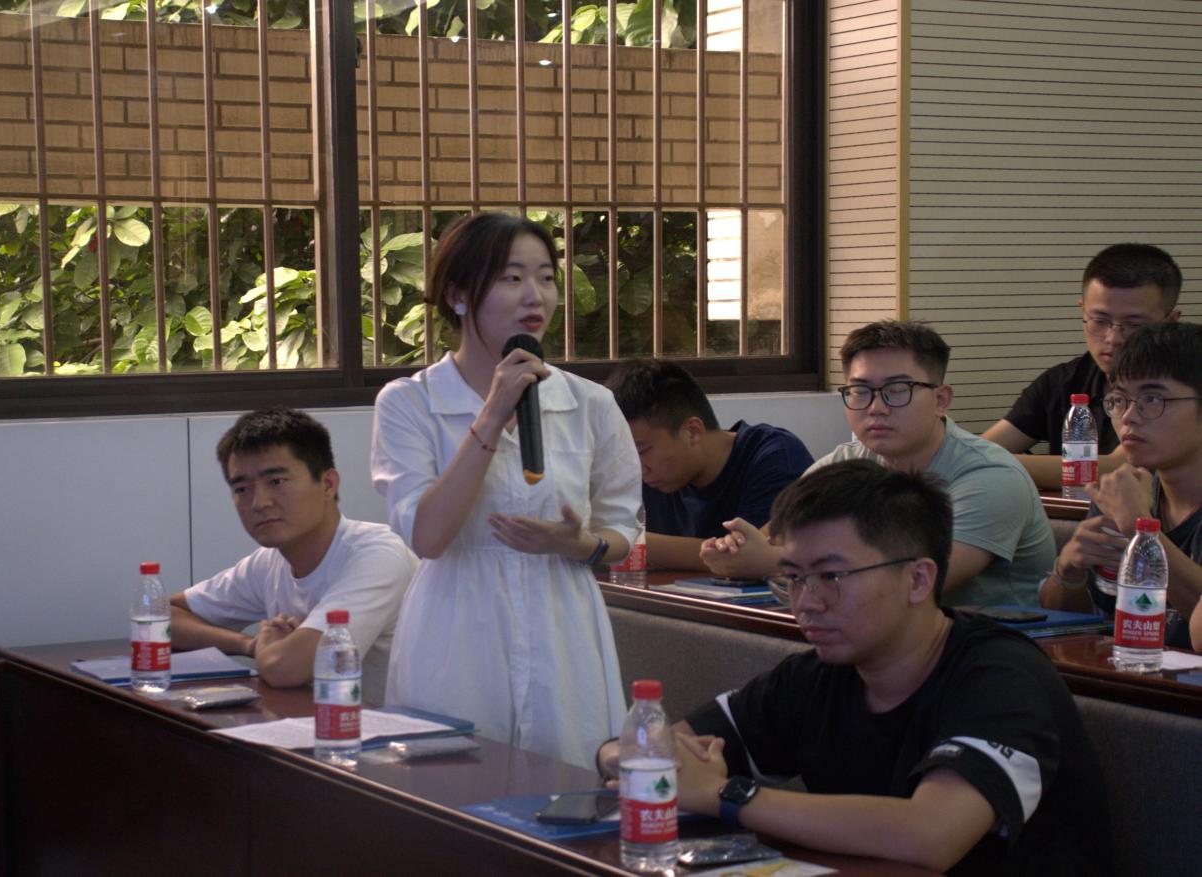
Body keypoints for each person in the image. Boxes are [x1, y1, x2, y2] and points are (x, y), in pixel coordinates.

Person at [597, 460, 1110, 874]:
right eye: (794, 578)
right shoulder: (818, 674)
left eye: (832, 577)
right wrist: (623, 755)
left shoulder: (1001, 675)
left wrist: (725, 794)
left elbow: (931, 834)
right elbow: (658, 746)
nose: (807, 602)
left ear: (918, 580)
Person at [370, 213, 641, 769]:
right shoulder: (409, 402)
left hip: (563, 623)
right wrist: (493, 414)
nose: (535, 296)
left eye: (546, 277)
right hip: (456, 624)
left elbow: (623, 530)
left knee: (569, 783)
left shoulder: (590, 403)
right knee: (454, 785)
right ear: (458, 295)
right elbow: (428, 536)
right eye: (512, 278)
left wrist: (580, 545)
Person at [702, 321, 1055, 607]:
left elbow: (918, 583)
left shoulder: (990, 475)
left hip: (989, 647)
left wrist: (769, 562)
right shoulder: (846, 461)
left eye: (897, 390)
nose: (876, 408)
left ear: (941, 400)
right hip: (880, 638)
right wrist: (732, 550)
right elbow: (773, 537)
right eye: (860, 391)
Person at [171, 407, 417, 701]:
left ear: (328, 484)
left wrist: (273, 653)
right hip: (315, 721)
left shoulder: (378, 555)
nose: (259, 503)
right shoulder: (269, 562)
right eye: (242, 489)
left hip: (392, 726)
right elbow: (164, 618)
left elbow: (286, 669)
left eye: (277, 482)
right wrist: (250, 645)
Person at [1041, 322, 1202, 650]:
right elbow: (1074, 627)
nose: (1128, 416)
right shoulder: (1125, 490)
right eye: (1118, 400)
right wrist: (1068, 572)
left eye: (1152, 399)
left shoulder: (1128, 504)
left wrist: (1139, 528)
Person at [982, 243, 1182, 489]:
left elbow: (1121, 468)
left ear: (1171, 322)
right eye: (1100, 320)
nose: (1113, 338)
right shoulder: (1064, 380)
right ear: (1083, 310)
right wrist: (981, 458)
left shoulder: (1183, 387)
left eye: (1134, 325)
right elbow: (984, 448)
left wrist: (991, 462)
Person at [605, 357, 813, 570]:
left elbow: (743, 558)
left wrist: (623, 541)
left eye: (641, 451)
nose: (637, 468)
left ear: (692, 432)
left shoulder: (775, 457)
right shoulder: (646, 473)